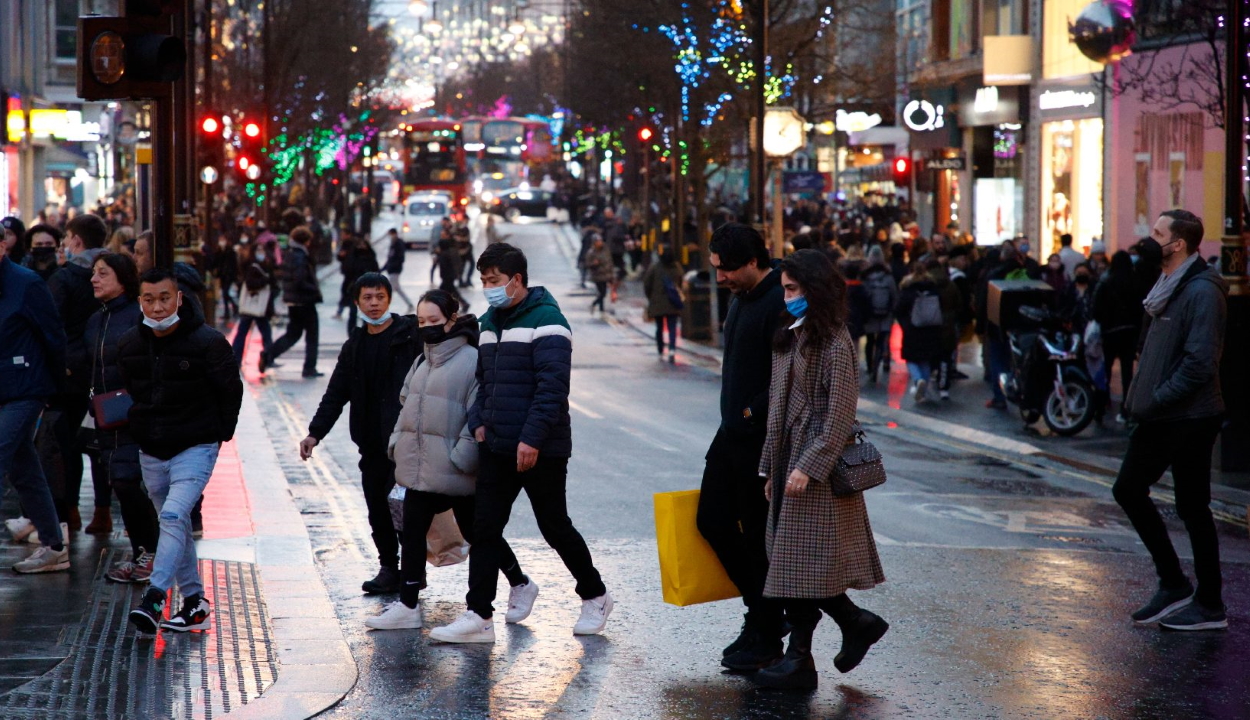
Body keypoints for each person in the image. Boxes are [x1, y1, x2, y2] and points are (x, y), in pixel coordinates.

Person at [428, 243, 612, 643]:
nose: (488, 288)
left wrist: (531, 439)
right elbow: (483, 381)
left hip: (540, 447)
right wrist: (478, 423)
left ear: (517, 280)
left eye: (494, 281)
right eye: (484, 281)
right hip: (495, 444)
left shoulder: (549, 321)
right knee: (484, 527)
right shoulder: (491, 321)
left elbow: (552, 388)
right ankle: (479, 615)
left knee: (554, 525)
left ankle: (595, 594)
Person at [751, 249, 887, 690]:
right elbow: (777, 409)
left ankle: (817, 648)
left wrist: (808, 466)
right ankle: (824, 644)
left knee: (800, 566)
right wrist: (771, 467)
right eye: (784, 289)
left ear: (815, 288)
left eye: (793, 288)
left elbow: (840, 413)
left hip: (817, 470)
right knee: (796, 566)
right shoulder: (792, 334)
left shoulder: (834, 340)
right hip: (791, 462)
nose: (786, 296)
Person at [369, 289, 534, 631]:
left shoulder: (473, 359)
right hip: (420, 466)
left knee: (479, 533)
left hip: (457, 469)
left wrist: (462, 458)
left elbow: (478, 412)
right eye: (421, 321)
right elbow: (407, 407)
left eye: (434, 321)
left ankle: (520, 582)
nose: (427, 327)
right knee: (412, 531)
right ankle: (408, 603)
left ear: (452, 320)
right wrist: (396, 443)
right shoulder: (422, 359)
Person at [1114, 210, 1229, 631]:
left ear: (1178, 244)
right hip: (1164, 415)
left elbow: (1200, 363)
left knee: (1189, 506)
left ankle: (1207, 602)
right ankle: (1177, 585)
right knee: (1135, 491)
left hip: (1187, 416)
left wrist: (1154, 400)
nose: (1150, 238)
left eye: (1158, 234)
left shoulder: (1200, 291)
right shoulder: (1168, 285)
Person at [119, 268, 243, 634]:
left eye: (163, 299)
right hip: (152, 449)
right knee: (177, 524)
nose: (157, 308)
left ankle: (155, 599)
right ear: (140, 301)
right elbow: (134, 392)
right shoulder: (129, 345)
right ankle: (194, 602)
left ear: (178, 299)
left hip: (196, 445)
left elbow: (229, 391)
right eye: (148, 299)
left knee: (172, 518)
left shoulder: (208, 342)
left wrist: (218, 434)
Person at [696, 224, 787, 671]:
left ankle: (767, 631)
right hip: (729, 433)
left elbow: (786, 377)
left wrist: (752, 414)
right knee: (710, 520)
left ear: (754, 261)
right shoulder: (741, 298)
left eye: (728, 269)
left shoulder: (779, 301)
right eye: (716, 268)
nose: (721, 278)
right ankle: (761, 614)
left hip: (758, 438)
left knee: (755, 538)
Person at [300, 273, 419, 595]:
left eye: (380, 297)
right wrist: (315, 434)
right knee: (378, 509)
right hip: (370, 444)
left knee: (405, 510)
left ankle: (411, 572)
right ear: (357, 303)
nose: (374, 303)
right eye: (367, 298)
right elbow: (336, 393)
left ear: (389, 299)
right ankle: (388, 568)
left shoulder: (410, 337)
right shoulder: (355, 346)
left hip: (405, 443)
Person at [81, 254, 160, 583]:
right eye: (93, 274)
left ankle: (152, 554)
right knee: (120, 483)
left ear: (123, 278)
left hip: (133, 415)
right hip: (105, 417)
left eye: (103, 274)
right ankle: (143, 553)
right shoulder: (96, 320)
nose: (94, 279)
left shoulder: (135, 316)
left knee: (128, 482)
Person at [1, 244, 70, 574]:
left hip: (25, 385)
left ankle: (55, 546)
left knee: (5, 454)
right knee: (22, 464)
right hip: (11, 385)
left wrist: (55, 387)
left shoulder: (26, 284)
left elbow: (53, 335)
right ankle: (54, 545)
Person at [47, 213, 111, 533]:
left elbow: (51, 324)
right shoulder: (114, 273)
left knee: (69, 442)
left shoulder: (64, 278)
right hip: (104, 371)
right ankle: (103, 512)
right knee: (102, 441)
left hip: (71, 372)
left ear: (76, 241)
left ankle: (70, 509)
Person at [263, 226, 323, 378]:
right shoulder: (300, 256)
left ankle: (268, 355)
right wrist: (314, 290)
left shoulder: (290, 254)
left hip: (293, 301)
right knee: (312, 335)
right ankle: (309, 367)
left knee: (293, 334)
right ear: (306, 241)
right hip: (305, 301)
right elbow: (299, 280)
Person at [895, 262, 944, 404]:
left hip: (913, 328)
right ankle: (923, 387)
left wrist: (904, 323)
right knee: (925, 359)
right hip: (931, 328)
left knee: (910, 358)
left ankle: (918, 380)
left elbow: (898, 309)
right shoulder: (933, 288)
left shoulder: (908, 289)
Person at [231, 242, 278, 368]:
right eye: (258, 250)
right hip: (256, 306)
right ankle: (267, 358)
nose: (261, 253)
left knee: (249, 332)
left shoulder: (263, 265)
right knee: (261, 333)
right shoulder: (253, 266)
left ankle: (238, 359)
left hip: (257, 307)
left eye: (262, 250)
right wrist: (266, 280)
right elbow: (251, 283)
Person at [860, 246, 897, 384]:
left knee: (870, 341)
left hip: (870, 313)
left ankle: (870, 367)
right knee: (881, 341)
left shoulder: (865, 275)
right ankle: (876, 365)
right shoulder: (888, 275)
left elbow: (862, 295)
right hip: (885, 313)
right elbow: (894, 295)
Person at [642, 248, 685, 361]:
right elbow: (680, 282)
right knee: (672, 327)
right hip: (673, 302)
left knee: (659, 327)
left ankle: (660, 348)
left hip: (657, 302)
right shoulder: (677, 267)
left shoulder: (655, 267)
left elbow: (647, 283)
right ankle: (672, 349)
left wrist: (650, 297)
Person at [383, 228, 416, 313]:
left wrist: (393, 265)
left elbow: (399, 257)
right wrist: (384, 267)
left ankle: (383, 307)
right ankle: (409, 304)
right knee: (397, 288)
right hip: (392, 269)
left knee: (390, 289)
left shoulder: (398, 243)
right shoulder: (393, 243)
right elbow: (390, 257)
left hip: (395, 269)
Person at [585, 234, 613, 314]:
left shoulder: (605, 250)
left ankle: (601, 309)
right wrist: (594, 264)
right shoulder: (591, 252)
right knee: (603, 293)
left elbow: (609, 262)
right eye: (598, 241)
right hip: (597, 275)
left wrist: (611, 274)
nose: (600, 243)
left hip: (606, 274)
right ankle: (594, 304)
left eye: (600, 241)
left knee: (602, 292)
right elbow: (587, 264)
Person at [213, 236, 238, 319]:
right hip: (222, 276)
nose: (222, 242)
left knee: (225, 293)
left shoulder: (230, 251)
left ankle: (229, 311)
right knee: (225, 293)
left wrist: (234, 275)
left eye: (223, 240)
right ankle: (233, 307)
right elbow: (215, 262)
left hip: (229, 276)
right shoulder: (219, 251)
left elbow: (234, 265)